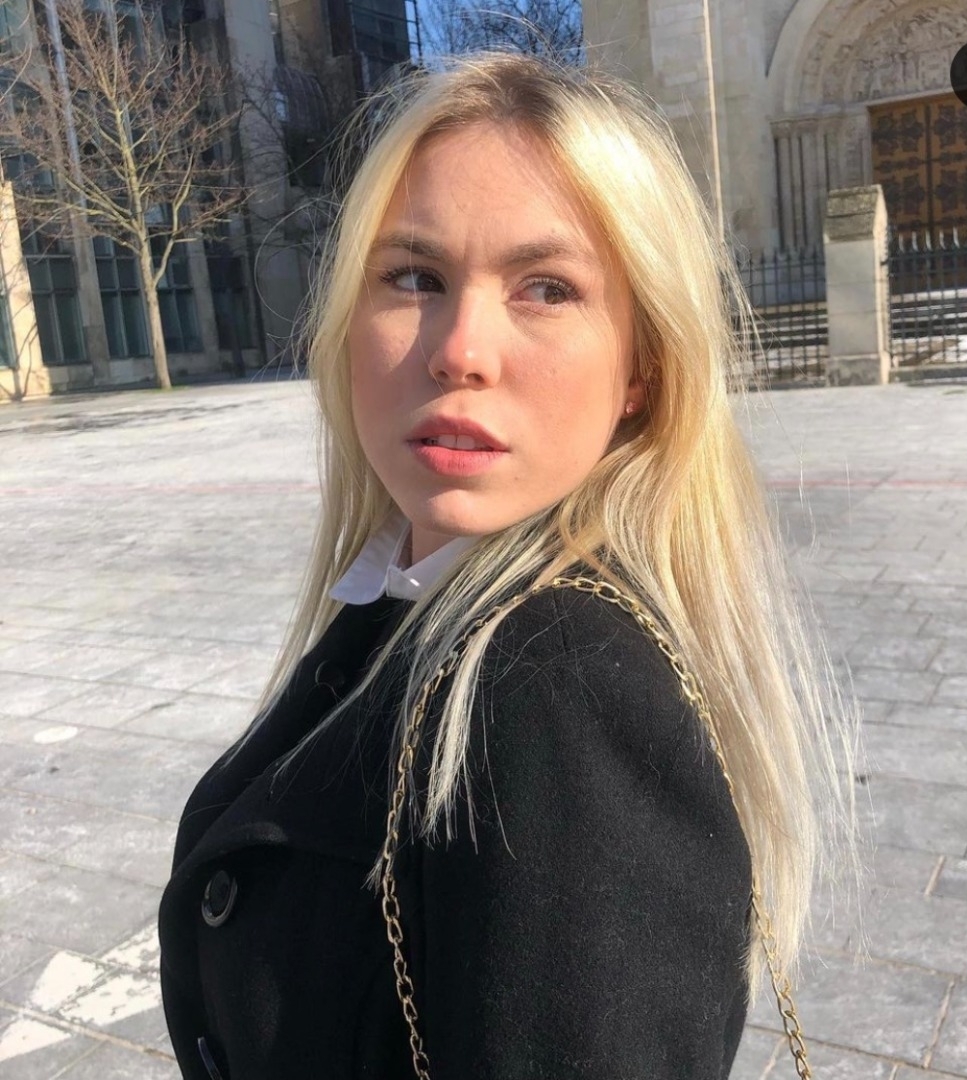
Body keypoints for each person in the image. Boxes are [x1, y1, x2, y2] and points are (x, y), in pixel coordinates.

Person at [158, 51, 859, 1080]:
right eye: (414, 277)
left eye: (546, 288)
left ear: (641, 369)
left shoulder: (561, 687)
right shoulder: (405, 598)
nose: (460, 350)